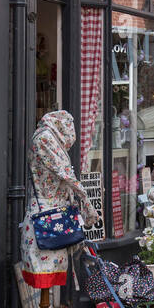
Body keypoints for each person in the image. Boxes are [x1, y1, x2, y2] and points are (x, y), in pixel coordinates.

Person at [20, 110, 100, 289]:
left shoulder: (49, 139)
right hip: (45, 217)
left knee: (51, 274)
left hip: (54, 217)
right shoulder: (45, 139)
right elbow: (67, 176)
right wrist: (88, 208)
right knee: (43, 275)